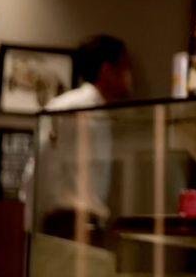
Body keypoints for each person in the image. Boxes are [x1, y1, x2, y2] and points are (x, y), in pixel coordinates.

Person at [35, 34, 133, 241]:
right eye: (125, 67)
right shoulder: (71, 108)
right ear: (107, 71)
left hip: (80, 223)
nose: (130, 76)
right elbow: (42, 168)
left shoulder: (99, 112)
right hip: (68, 225)